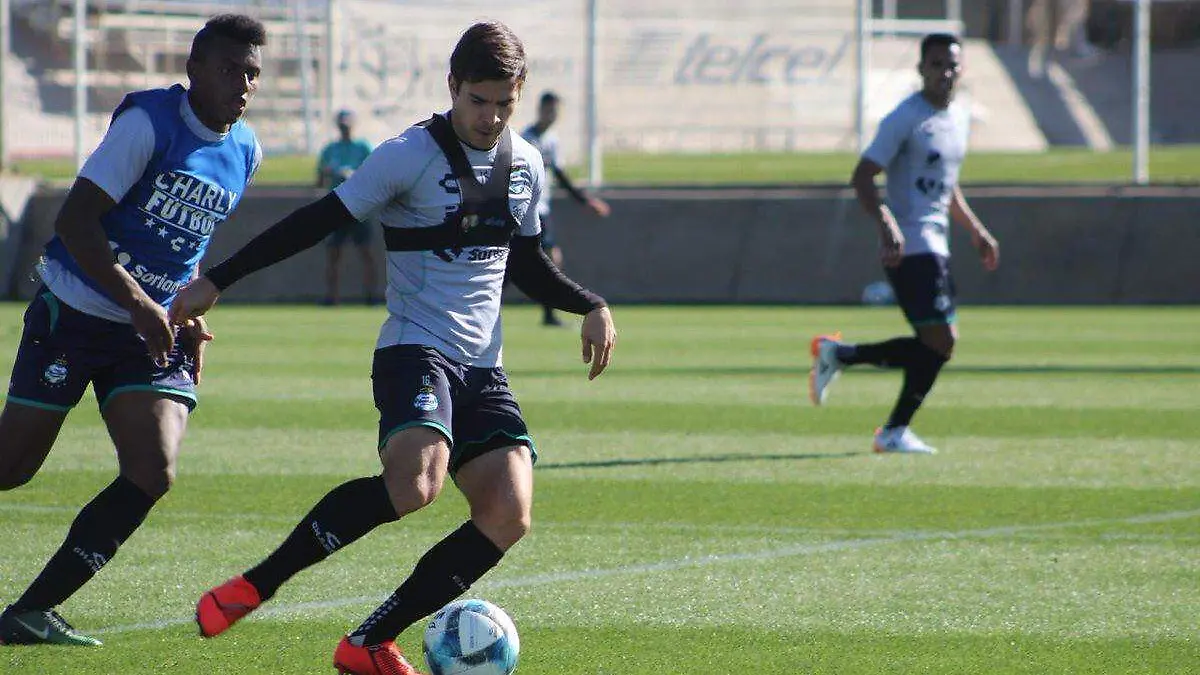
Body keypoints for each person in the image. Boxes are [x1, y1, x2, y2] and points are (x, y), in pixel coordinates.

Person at [171, 21, 617, 675]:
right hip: (415, 350)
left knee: (508, 513)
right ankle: (258, 584)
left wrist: (591, 305)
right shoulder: (408, 155)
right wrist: (218, 279)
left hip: (483, 368)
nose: (491, 117)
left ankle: (369, 641)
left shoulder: (525, 161)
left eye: (505, 103)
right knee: (415, 483)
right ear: (452, 86)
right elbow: (317, 220)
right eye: (478, 101)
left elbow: (526, 263)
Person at [0, 14, 266, 645]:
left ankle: (31, 611)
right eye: (229, 69)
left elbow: (187, 240)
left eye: (252, 73)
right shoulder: (148, 123)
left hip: (149, 331)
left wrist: (185, 313)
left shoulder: (246, 149)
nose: (243, 84)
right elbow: (74, 221)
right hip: (75, 314)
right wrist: (141, 303)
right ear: (193, 69)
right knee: (11, 468)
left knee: (153, 470)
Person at [809, 33, 999, 455]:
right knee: (941, 341)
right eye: (936, 65)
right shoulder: (905, 117)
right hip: (911, 246)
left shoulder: (959, 116)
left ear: (962, 70)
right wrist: (887, 225)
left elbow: (946, 187)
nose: (945, 73)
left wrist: (975, 231)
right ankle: (887, 423)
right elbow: (863, 175)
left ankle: (844, 362)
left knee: (939, 345)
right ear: (921, 69)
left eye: (952, 65)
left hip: (937, 245)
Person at [520, 91, 610, 326]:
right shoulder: (526, 139)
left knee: (548, 258)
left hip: (543, 209)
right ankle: (546, 313)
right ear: (541, 109)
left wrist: (585, 201)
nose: (552, 115)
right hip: (528, 208)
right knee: (532, 259)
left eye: (556, 111)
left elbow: (559, 174)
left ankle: (549, 313)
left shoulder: (552, 140)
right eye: (549, 110)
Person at [318, 109, 378, 305]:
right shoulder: (330, 149)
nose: (345, 128)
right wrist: (328, 172)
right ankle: (332, 297)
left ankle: (370, 296)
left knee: (366, 253)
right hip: (336, 207)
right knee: (333, 254)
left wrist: (353, 174)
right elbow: (319, 179)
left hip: (360, 207)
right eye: (342, 124)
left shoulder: (363, 147)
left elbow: (374, 173)